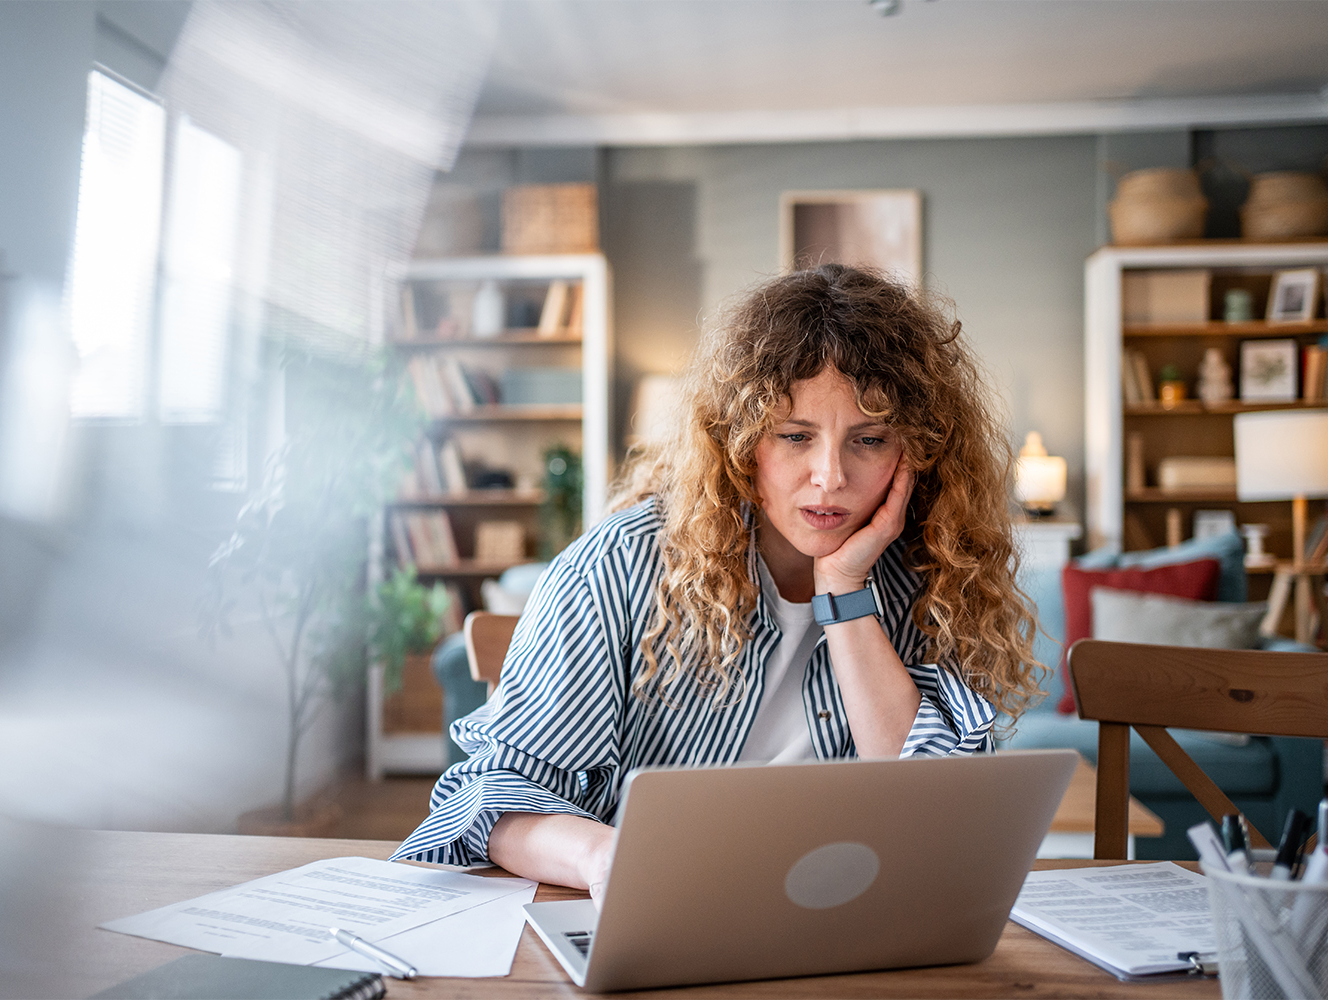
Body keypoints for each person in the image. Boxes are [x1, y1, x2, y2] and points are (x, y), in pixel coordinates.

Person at [392, 263, 1043, 899]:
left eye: (869, 440)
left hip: (843, 921)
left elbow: (936, 820)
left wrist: (845, 595)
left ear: (917, 453)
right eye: (795, 436)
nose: (830, 475)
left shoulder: (932, 577)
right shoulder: (623, 565)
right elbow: (491, 798)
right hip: (661, 908)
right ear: (740, 441)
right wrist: (605, 856)